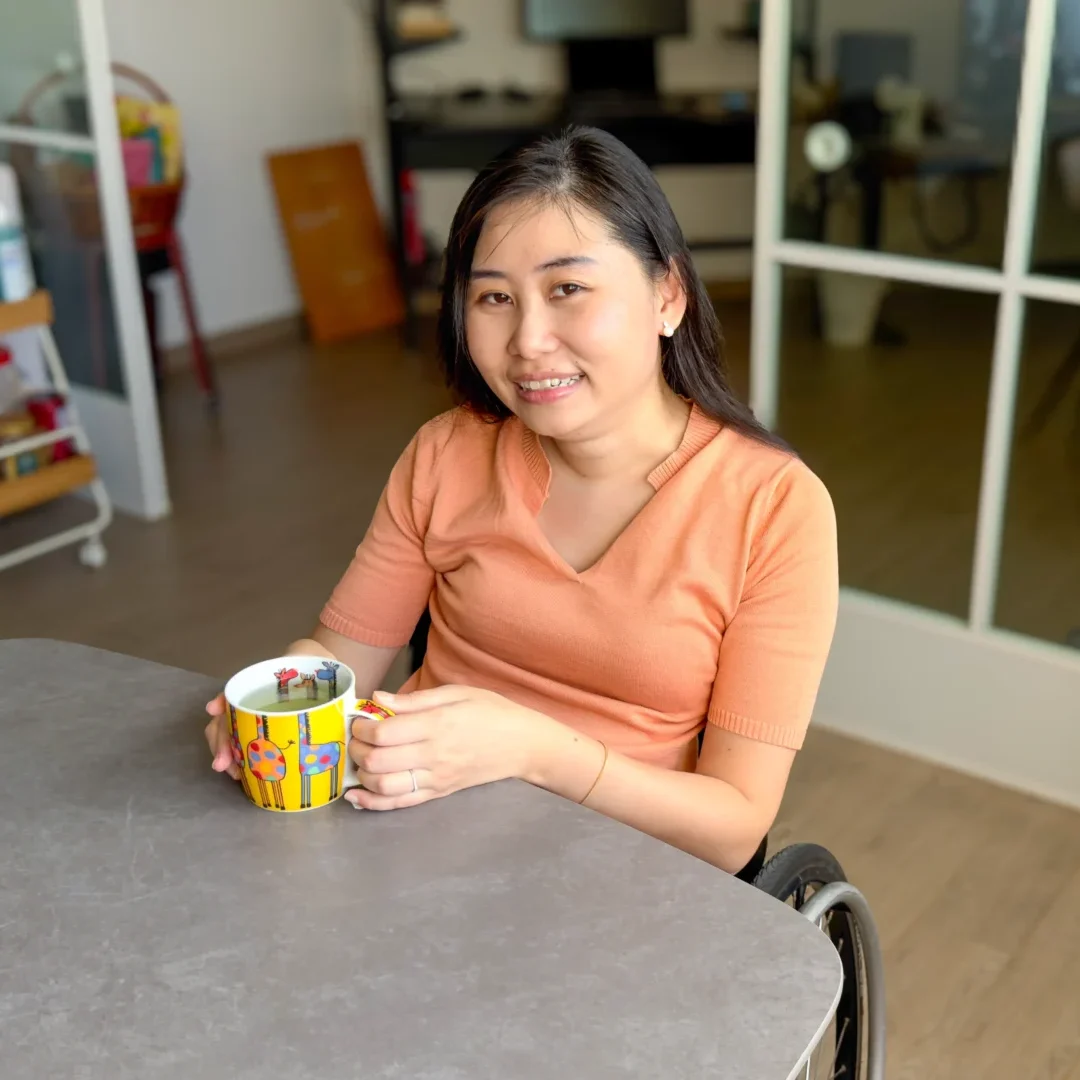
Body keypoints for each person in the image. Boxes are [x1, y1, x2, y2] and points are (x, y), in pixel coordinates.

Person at [205, 127, 838, 877]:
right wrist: (277, 704)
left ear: (667, 295)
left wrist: (532, 751)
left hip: (624, 876)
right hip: (413, 837)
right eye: (495, 298)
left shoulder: (774, 507)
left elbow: (732, 828)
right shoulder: (446, 453)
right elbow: (339, 661)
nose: (528, 340)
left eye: (568, 289)